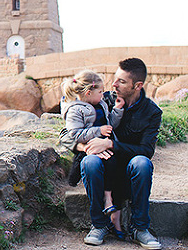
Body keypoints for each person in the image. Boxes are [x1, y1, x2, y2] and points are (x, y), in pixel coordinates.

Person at [61, 58, 163, 249]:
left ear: (138, 85)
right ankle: (99, 225)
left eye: (121, 81)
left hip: (128, 170)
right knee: (90, 162)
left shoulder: (152, 112)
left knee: (142, 163)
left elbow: (147, 151)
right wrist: (86, 147)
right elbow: (65, 135)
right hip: (103, 168)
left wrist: (110, 144)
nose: (114, 84)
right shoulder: (102, 98)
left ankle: (139, 228)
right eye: (115, 79)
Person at [60, 70, 125, 238]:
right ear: (89, 93)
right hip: (89, 149)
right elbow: (74, 134)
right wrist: (98, 131)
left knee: (112, 164)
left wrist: (117, 111)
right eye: (101, 92)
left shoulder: (102, 104)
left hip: (106, 148)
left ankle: (108, 197)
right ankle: (100, 219)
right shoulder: (75, 110)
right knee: (93, 165)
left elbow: (110, 124)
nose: (104, 95)